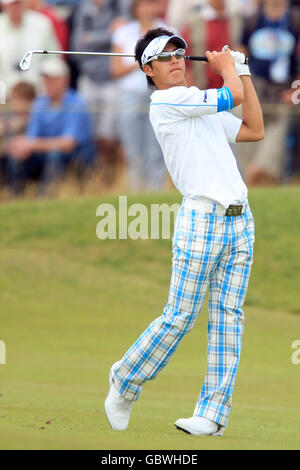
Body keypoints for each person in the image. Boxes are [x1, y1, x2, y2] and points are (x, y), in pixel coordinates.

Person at [104, 27, 264, 436]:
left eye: (180, 53)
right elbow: (231, 97)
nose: (176, 60)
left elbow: (253, 128)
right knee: (179, 317)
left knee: (228, 317)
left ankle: (212, 414)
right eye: (165, 56)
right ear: (149, 70)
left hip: (240, 220)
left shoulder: (198, 105)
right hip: (201, 220)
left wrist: (241, 70)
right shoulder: (168, 100)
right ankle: (125, 378)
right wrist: (229, 70)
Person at [7, 58, 95, 196]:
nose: (47, 84)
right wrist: (23, 146)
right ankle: (16, 197)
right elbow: (32, 137)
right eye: (46, 79)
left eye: (52, 79)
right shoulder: (40, 104)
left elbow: (68, 144)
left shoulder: (77, 103)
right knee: (18, 156)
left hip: (76, 159)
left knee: (55, 155)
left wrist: (31, 145)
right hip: (47, 155)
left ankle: (45, 197)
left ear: (64, 80)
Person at [238, 0, 300, 185]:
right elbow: (242, 50)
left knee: (273, 148)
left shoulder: (295, 20)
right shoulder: (252, 19)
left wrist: (295, 89)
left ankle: (256, 175)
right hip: (256, 89)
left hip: (283, 94)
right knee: (249, 145)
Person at [111, 0, 169, 191]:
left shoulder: (169, 31)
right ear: (135, 9)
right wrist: (142, 61)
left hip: (157, 95)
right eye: (142, 5)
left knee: (156, 150)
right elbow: (116, 69)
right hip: (130, 96)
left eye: (150, 4)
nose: (147, 9)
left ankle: (155, 192)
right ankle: (136, 192)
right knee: (133, 150)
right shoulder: (123, 32)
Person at [69, 0, 129, 185]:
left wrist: (92, 39)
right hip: (88, 79)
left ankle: (108, 178)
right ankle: (91, 178)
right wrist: (108, 35)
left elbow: (124, 39)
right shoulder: (82, 10)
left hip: (114, 81)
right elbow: (77, 48)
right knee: (89, 134)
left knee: (109, 136)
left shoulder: (121, 7)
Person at [0, 0, 60, 93]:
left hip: (37, 92)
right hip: (5, 93)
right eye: (12, 4)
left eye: (18, 3)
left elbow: (53, 59)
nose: (16, 7)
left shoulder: (42, 24)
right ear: (4, 5)